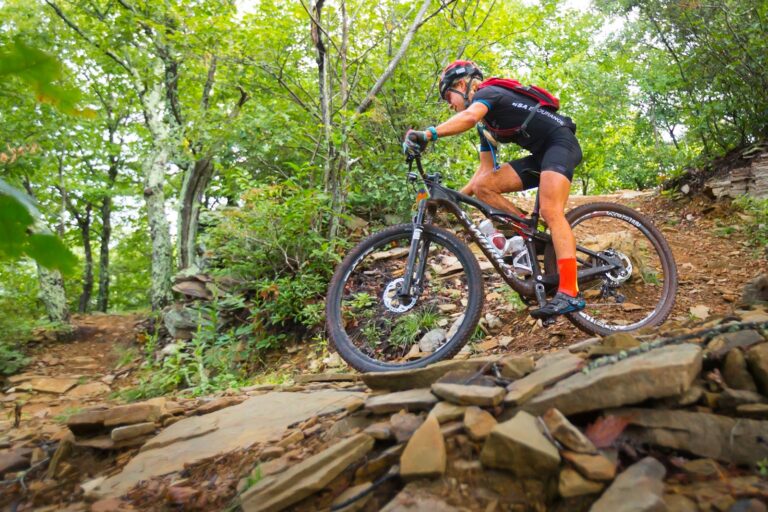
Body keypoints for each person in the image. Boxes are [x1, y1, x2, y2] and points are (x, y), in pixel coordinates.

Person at [403, 60, 584, 319]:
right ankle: (530, 234)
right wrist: (451, 198)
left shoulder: (488, 92)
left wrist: (428, 134)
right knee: (483, 187)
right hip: (541, 155)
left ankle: (570, 291)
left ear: (463, 85)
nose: (449, 104)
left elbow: (467, 116)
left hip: (561, 143)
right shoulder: (486, 127)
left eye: (448, 97)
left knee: (550, 210)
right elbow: (484, 174)